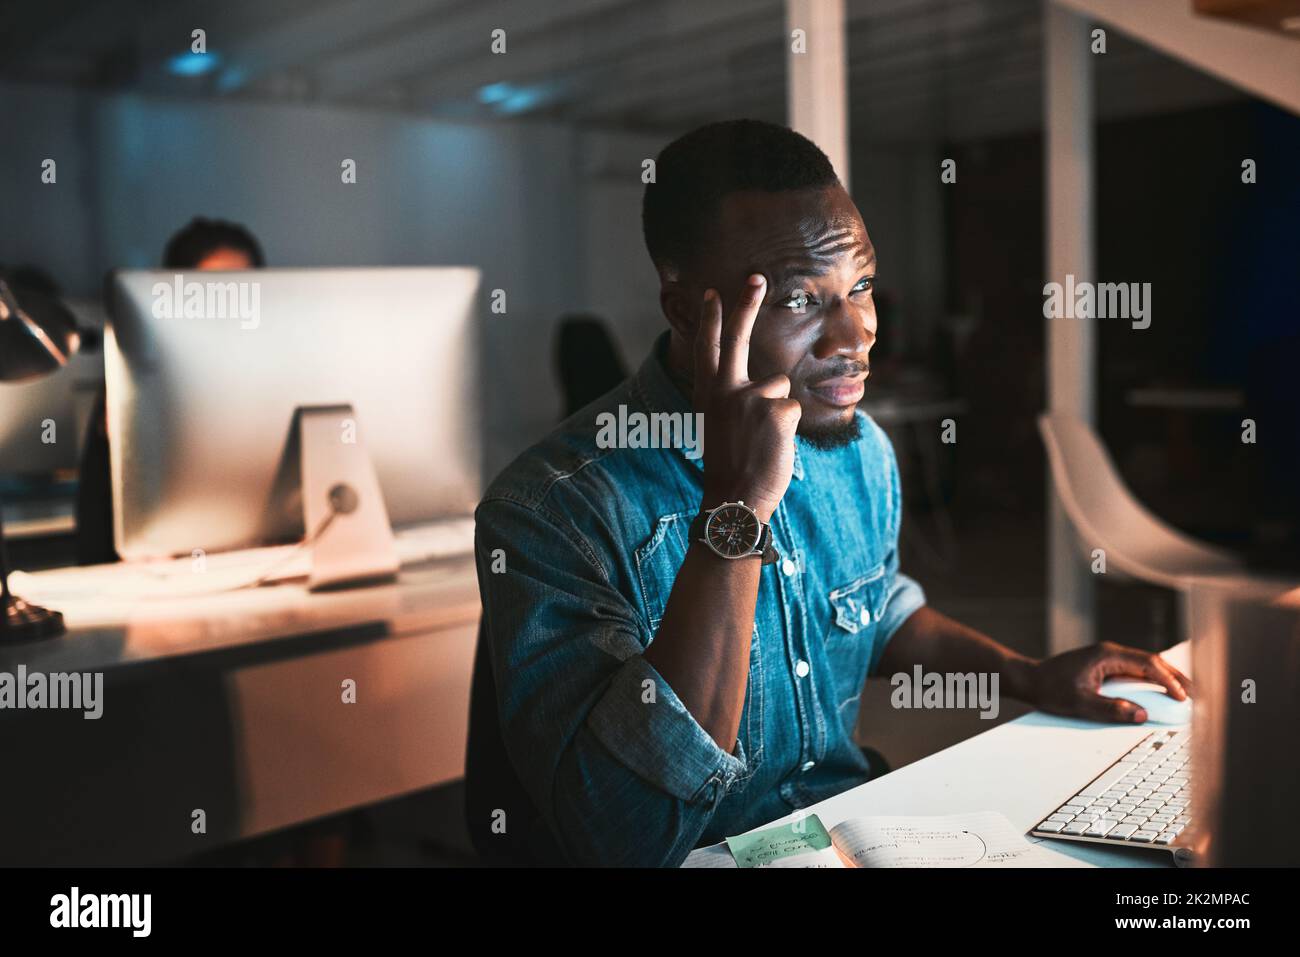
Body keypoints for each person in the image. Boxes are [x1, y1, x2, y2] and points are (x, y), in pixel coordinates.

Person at [471, 120, 1192, 867]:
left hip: (848, 828)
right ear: (687, 311)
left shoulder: (857, 448)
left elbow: (877, 609)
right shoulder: (550, 509)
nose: (855, 334)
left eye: (862, 286)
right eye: (798, 301)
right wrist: (736, 508)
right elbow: (624, 835)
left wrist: (1027, 675)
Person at [75, 218, 264, 564]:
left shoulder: (268, 384)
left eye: (243, 291)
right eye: (212, 293)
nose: (229, 308)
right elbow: (103, 530)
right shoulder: (138, 386)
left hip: (258, 566)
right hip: (154, 577)